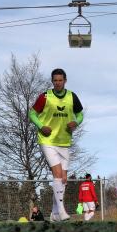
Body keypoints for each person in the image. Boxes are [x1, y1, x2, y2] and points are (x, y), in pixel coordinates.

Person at [28, 68, 84, 222]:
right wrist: (41, 126)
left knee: (63, 178)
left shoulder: (72, 97)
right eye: (55, 80)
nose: (58, 83)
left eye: (60, 80)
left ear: (65, 80)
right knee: (58, 174)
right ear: (52, 81)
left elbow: (80, 114)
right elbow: (32, 113)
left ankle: (54, 214)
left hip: (64, 142)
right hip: (47, 140)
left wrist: (76, 122)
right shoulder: (45, 97)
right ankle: (62, 210)